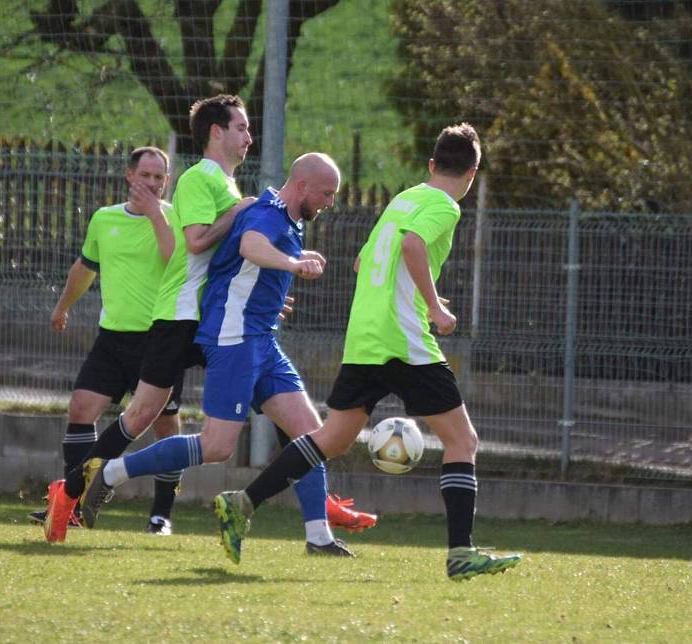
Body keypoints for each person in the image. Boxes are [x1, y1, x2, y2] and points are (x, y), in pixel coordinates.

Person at [43, 96, 373, 543]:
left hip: (214, 319)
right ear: (215, 132)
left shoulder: (232, 188)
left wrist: (263, 297)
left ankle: (318, 517)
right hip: (180, 315)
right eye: (241, 127)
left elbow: (233, 262)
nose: (248, 136)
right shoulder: (201, 177)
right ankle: (70, 491)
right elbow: (198, 242)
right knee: (141, 416)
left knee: (282, 410)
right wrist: (238, 215)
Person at [212, 124, 523, 581]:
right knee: (463, 442)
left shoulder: (405, 198)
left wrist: (414, 294)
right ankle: (461, 554)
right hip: (404, 340)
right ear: (473, 172)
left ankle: (242, 503)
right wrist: (433, 306)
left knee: (332, 439)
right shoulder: (443, 205)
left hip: (365, 336)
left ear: (431, 164)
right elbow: (413, 244)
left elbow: (365, 261)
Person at [31, 146, 185, 535]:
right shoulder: (104, 219)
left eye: (159, 177)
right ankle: (73, 504)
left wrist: (154, 216)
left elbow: (175, 261)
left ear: (166, 182)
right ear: (129, 176)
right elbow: (86, 267)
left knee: (166, 426)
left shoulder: (175, 219)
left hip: (161, 338)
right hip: (114, 338)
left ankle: (161, 516)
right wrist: (63, 306)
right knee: (81, 408)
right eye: (145, 175)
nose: (152, 183)